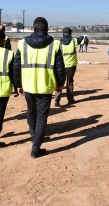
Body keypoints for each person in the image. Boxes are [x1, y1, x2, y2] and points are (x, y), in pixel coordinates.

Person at [13, 17, 65, 158]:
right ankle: (36, 148)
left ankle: (33, 136)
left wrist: (18, 85)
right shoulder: (54, 44)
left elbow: (16, 66)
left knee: (31, 112)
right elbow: (60, 68)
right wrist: (60, 84)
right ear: (47, 29)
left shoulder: (22, 44)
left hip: (28, 85)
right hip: (45, 85)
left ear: (33, 29)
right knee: (42, 116)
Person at [54, 27, 78, 107]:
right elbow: (80, 43)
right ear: (70, 33)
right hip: (71, 65)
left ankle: (57, 100)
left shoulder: (58, 42)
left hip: (61, 65)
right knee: (70, 82)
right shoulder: (74, 41)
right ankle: (70, 100)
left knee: (60, 83)